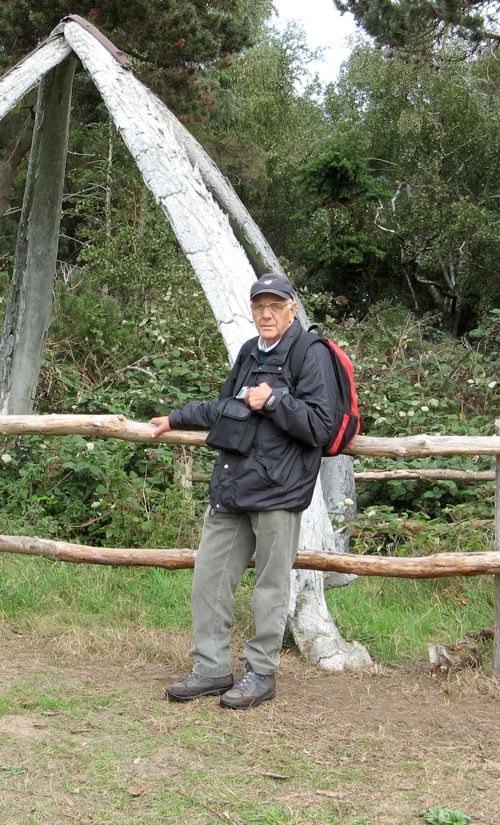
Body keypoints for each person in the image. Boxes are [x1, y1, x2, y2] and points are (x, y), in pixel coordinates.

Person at [149, 273, 337, 710]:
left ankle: (261, 673)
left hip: (280, 490)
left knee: (270, 587)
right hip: (234, 483)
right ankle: (212, 668)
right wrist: (176, 418)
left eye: (275, 305)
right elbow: (227, 408)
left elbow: (322, 427)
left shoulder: (311, 354)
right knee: (209, 579)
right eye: (259, 306)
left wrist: (274, 401)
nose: (266, 314)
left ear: (293, 307)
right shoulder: (250, 352)